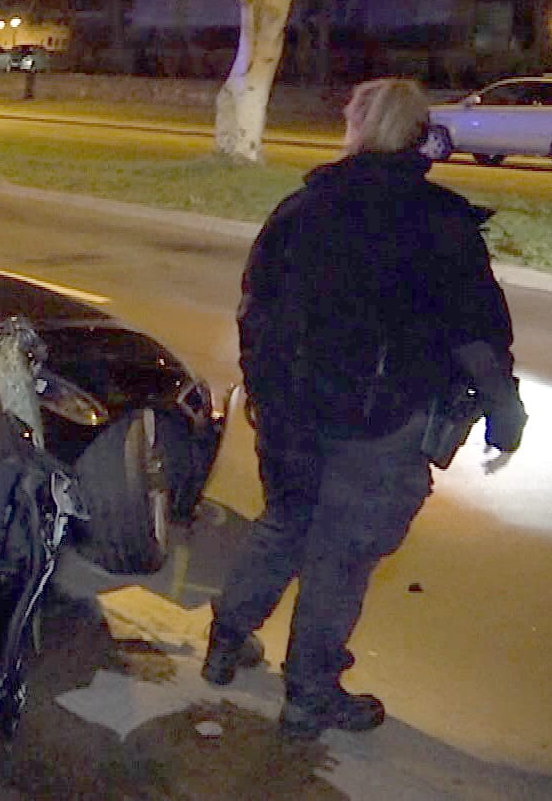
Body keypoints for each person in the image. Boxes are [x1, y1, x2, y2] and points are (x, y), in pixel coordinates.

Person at [204, 77, 526, 740]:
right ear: (418, 136)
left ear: (353, 127)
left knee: (286, 523)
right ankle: (309, 693)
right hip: (379, 421)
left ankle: (225, 640)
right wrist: (504, 409)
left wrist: (263, 389)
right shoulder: (437, 221)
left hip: (292, 410)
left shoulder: (303, 209)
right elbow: (475, 330)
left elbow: (254, 306)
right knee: (341, 555)